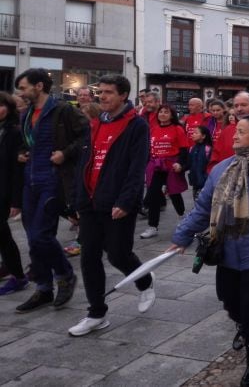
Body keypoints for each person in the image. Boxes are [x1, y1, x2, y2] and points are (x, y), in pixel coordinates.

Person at [169, 115, 249, 386]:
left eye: (241, 132)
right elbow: (204, 208)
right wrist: (182, 234)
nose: (234, 136)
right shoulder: (222, 169)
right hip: (225, 252)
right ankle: (242, 325)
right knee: (228, 300)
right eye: (234, 132)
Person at [68, 75, 156, 336]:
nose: (102, 96)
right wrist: (77, 198)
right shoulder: (94, 124)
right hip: (90, 202)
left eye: (108, 92)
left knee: (118, 254)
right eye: (100, 92)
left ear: (123, 95)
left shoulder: (136, 125)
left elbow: (136, 166)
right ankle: (96, 313)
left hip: (117, 202)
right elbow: (84, 162)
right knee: (89, 257)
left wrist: (127, 200)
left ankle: (145, 280)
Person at [15, 68, 88, 313]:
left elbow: (86, 137)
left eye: (24, 88)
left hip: (53, 181)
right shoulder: (27, 114)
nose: (21, 93)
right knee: (32, 240)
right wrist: (24, 153)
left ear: (38, 86)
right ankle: (44, 288)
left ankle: (65, 274)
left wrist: (64, 154)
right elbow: (30, 142)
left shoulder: (63, 110)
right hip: (30, 180)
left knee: (40, 236)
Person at [140, 104, 189, 239]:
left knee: (174, 193)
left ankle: (182, 217)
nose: (162, 114)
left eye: (166, 112)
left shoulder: (177, 129)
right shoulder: (153, 129)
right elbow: (149, 148)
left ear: (172, 115)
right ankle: (152, 226)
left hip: (171, 163)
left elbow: (184, 149)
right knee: (153, 195)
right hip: (156, 164)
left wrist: (180, 163)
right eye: (160, 112)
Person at [0, 92, 27, 295]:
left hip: (5, 191)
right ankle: (9, 267)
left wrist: (16, 201)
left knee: (3, 235)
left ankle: (18, 276)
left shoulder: (14, 131)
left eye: (2, 105)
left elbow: (17, 170)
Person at [187, 125, 212, 203]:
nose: (193, 134)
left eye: (196, 133)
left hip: (205, 182)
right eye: (193, 133)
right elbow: (189, 163)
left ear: (203, 136)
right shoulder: (192, 148)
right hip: (195, 182)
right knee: (196, 202)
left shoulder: (208, 149)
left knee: (202, 203)